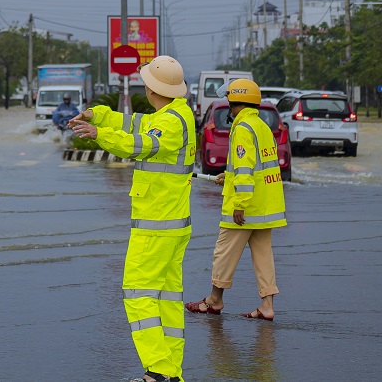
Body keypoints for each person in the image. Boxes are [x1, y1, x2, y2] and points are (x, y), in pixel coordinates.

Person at [68, 55, 197, 382]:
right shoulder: (174, 114)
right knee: (167, 301)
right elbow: (132, 124)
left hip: (157, 227)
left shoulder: (169, 123)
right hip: (171, 225)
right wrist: (98, 114)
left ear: (152, 89)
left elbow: (138, 144)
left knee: (138, 295)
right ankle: (170, 373)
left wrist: (98, 132)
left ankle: (157, 371)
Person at [187, 77, 285, 321]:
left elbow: (244, 169)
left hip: (246, 206)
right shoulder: (261, 126)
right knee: (263, 255)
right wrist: (228, 176)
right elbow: (253, 168)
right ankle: (267, 305)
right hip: (265, 205)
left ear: (237, 102)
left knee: (224, 252)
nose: (229, 107)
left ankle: (214, 301)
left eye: (230, 102)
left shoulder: (241, 129)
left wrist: (240, 202)